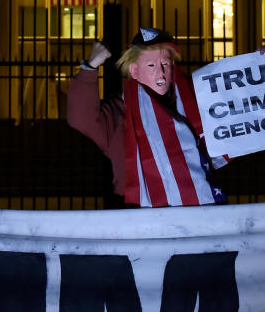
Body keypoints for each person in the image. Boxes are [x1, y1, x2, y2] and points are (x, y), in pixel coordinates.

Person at [67, 27, 230, 208]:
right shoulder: (119, 112)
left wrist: (263, 66)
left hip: (195, 205)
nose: (160, 72)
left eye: (165, 64)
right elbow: (81, 118)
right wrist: (90, 66)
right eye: (151, 65)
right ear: (134, 71)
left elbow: (237, 115)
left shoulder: (189, 103)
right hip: (138, 211)